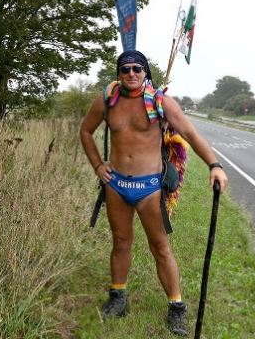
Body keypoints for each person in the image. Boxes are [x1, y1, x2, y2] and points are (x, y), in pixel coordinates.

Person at [80, 50, 228, 336]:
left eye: (137, 68)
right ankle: (118, 298)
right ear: (119, 73)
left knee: (160, 247)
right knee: (121, 242)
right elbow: (85, 131)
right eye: (125, 69)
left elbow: (190, 133)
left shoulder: (161, 102)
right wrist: (98, 164)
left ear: (145, 72)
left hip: (149, 187)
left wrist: (214, 164)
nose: (131, 73)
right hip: (117, 185)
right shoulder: (107, 101)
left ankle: (176, 308)